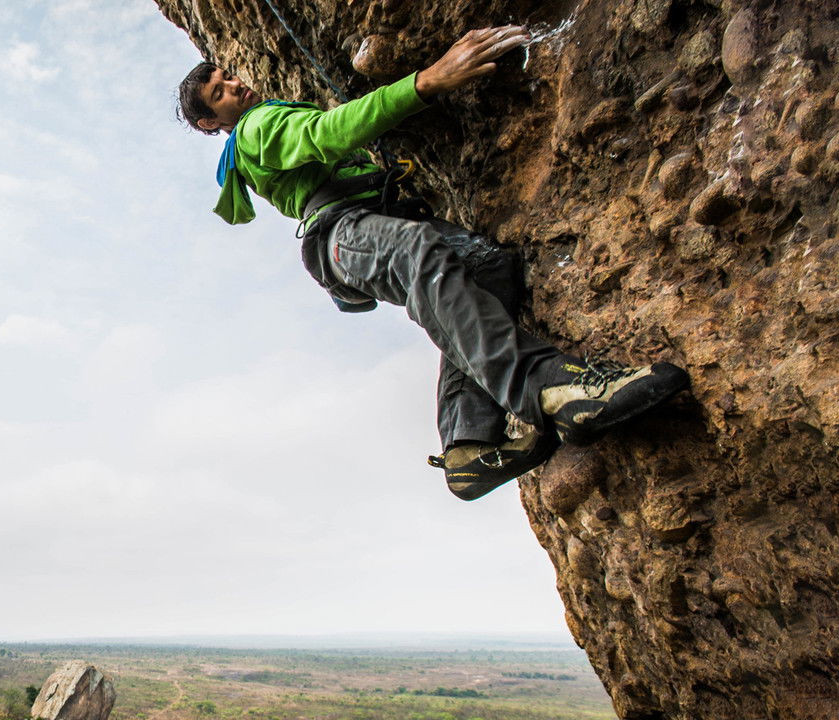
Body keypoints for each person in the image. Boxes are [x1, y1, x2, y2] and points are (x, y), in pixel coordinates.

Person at [175, 25, 690, 500]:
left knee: (487, 267)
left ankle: (469, 443)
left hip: (359, 231)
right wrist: (428, 80)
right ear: (209, 123)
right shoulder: (259, 126)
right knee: (417, 252)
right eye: (220, 93)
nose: (236, 86)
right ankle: (549, 387)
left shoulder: (260, 129)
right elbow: (328, 132)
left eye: (229, 76)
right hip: (345, 233)